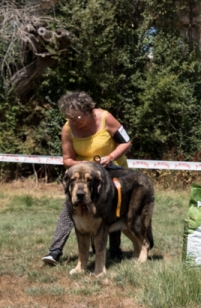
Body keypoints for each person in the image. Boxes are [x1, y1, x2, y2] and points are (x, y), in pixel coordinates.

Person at [42, 91, 131, 265]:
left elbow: (126, 142)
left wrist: (110, 157)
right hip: (84, 175)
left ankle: (114, 250)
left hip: (113, 171)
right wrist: (85, 165)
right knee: (70, 206)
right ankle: (55, 251)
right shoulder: (67, 128)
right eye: (69, 118)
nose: (73, 121)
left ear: (88, 110)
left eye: (76, 117)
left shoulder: (106, 118)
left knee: (112, 209)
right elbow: (67, 160)